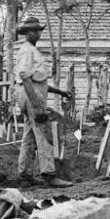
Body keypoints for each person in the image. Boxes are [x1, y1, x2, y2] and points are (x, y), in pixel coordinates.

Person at [14, 16, 73, 188]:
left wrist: (60, 91)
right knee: (45, 134)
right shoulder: (27, 51)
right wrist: (37, 106)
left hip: (32, 94)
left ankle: (24, 174)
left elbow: (40, 82)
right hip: (31, 96)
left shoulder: (32, 50)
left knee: (30, 135)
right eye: (34, 31)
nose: (38, 33)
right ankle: (49, 174)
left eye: (39, 30)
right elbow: (25, 78)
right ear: (27, 33)